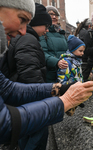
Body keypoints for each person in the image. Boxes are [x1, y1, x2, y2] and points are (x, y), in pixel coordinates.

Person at [0, 0, 93, 148]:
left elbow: (7, 88)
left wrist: (59, 88)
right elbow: (4, 124)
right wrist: (65, 101)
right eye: (22, 19)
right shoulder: (28, 39)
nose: (24, 31)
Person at [3, 3, 53, 150]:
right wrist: (46, 101)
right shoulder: (28, 40)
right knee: (35, 139)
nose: (47, 30)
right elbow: (29, 75)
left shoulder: (25, 38)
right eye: (45, 25)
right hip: (30, 101)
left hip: (22, 100)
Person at [40, 5, 68, 83]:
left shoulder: (61, 33)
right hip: (50, 73)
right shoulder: (42, 32)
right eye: (51, 14)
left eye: (56, 15)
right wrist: (56, 62)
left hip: (64, 72)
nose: (54, 17)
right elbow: (42, 53)